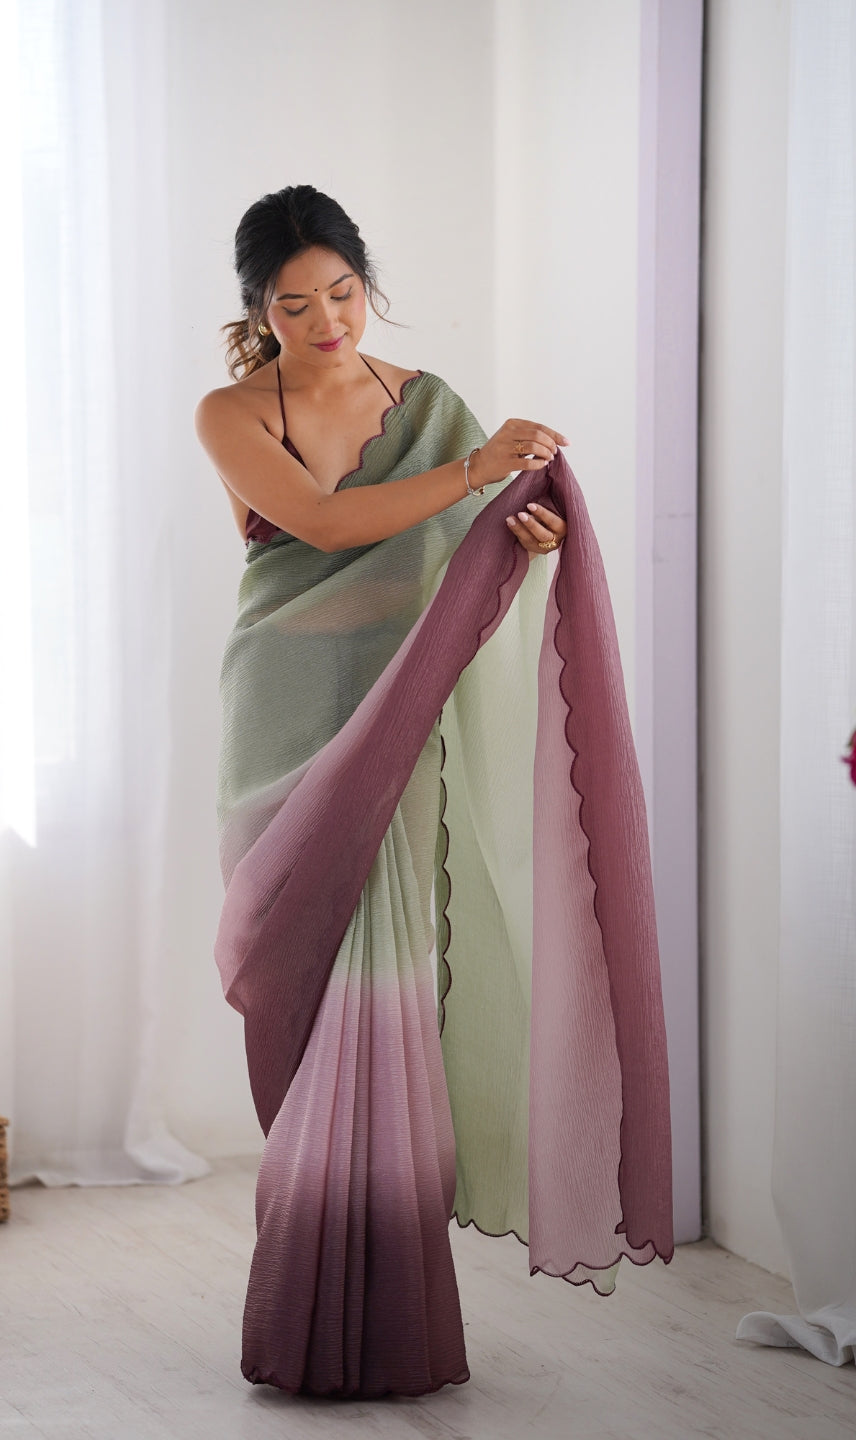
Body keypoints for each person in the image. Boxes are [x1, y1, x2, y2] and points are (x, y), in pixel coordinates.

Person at [196, 185, 673, 1399]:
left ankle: (379, 1308)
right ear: (257, 311)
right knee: (297, 982)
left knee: (389, 989)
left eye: (343, 293)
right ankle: (311, 1291)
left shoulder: (431, 406)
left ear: (368, 282)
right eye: (294, 305)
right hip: (283, 721)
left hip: (396, 715)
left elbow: (449, 553)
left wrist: (516, 531)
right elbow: (324, 523)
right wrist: (472, 474)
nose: (326, 322)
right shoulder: (233, 412)